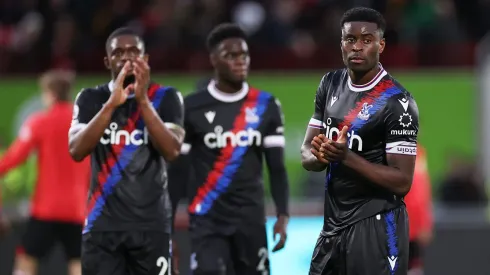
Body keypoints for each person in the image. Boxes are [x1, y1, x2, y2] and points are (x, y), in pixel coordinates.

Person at [300, 7, 419, 275]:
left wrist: (346, 157)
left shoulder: (397, 102)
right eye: (350, 39)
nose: (357, 47)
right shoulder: (329, 84)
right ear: (341, 43)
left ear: (381, 45)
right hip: (332, 227)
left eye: (366, 40)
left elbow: (403, 182)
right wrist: (319, 156)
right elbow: (307, 151)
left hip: (376, 225)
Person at [169, 23, 290, 275]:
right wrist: (167, 225)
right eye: (231, 56)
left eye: (243, 55)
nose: (240, 61)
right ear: (214, 60)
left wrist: (282, 214)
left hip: (250, 220)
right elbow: (178, 171)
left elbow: (276, 167)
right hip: (207, 220)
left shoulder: (266, 105)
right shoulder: (191, 107)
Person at [68, 27, 185, 275]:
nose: (126, 57)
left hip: (151, 225)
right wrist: (111, 104)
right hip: (102, 225)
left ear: (146, 59)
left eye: (133, 51)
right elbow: (77, 150)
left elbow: (172, 151)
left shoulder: (167, 97)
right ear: (107, 60)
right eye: (118, 52)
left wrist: (142, 100)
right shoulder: (90, 98)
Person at [0, 69, 90, 275]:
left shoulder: (40, 122)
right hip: (77, 210)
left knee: (26, 260)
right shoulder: (86, 126)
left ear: (49, 93)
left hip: (45, 209)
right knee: (77, 262)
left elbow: (14, 158)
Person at [405, 145, 433, 275]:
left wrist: (424, 223)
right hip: (404, 223)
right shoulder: (414, 154)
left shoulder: (418, 153)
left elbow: (422, 194)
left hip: (409, 225)